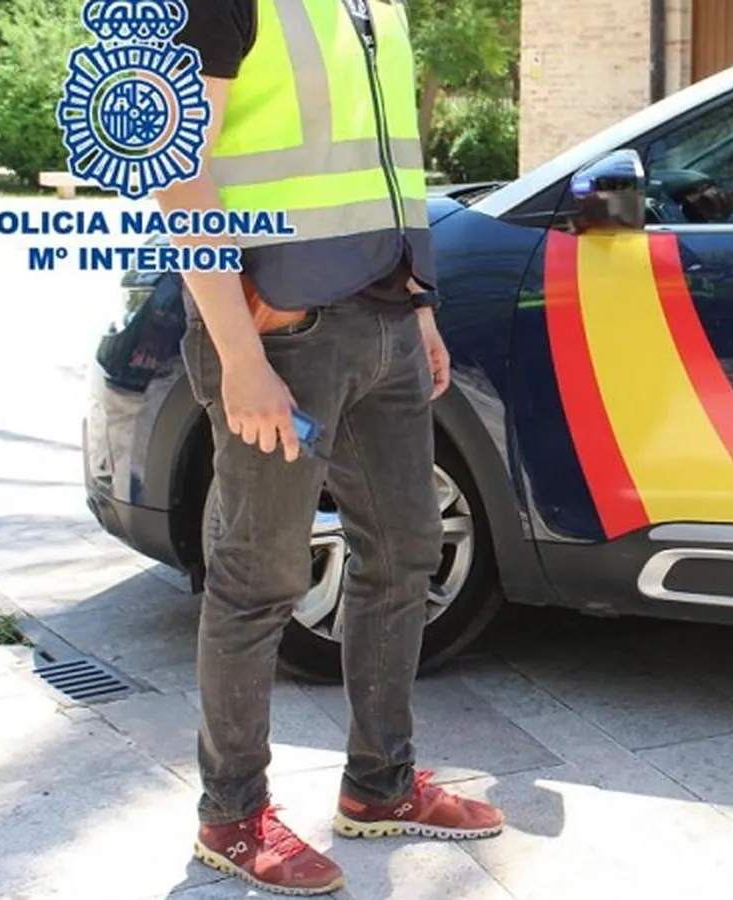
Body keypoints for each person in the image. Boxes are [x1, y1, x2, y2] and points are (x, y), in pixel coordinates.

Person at [162, 1, 503, 894]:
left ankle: (380, 784)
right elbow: (177, 168)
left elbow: (382, 163)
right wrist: (239, 356)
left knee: (406, 552)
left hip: (385, 318)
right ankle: (232, 816)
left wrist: (418, 309)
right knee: (259, 578)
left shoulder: (375, 4)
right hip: (281, 334)